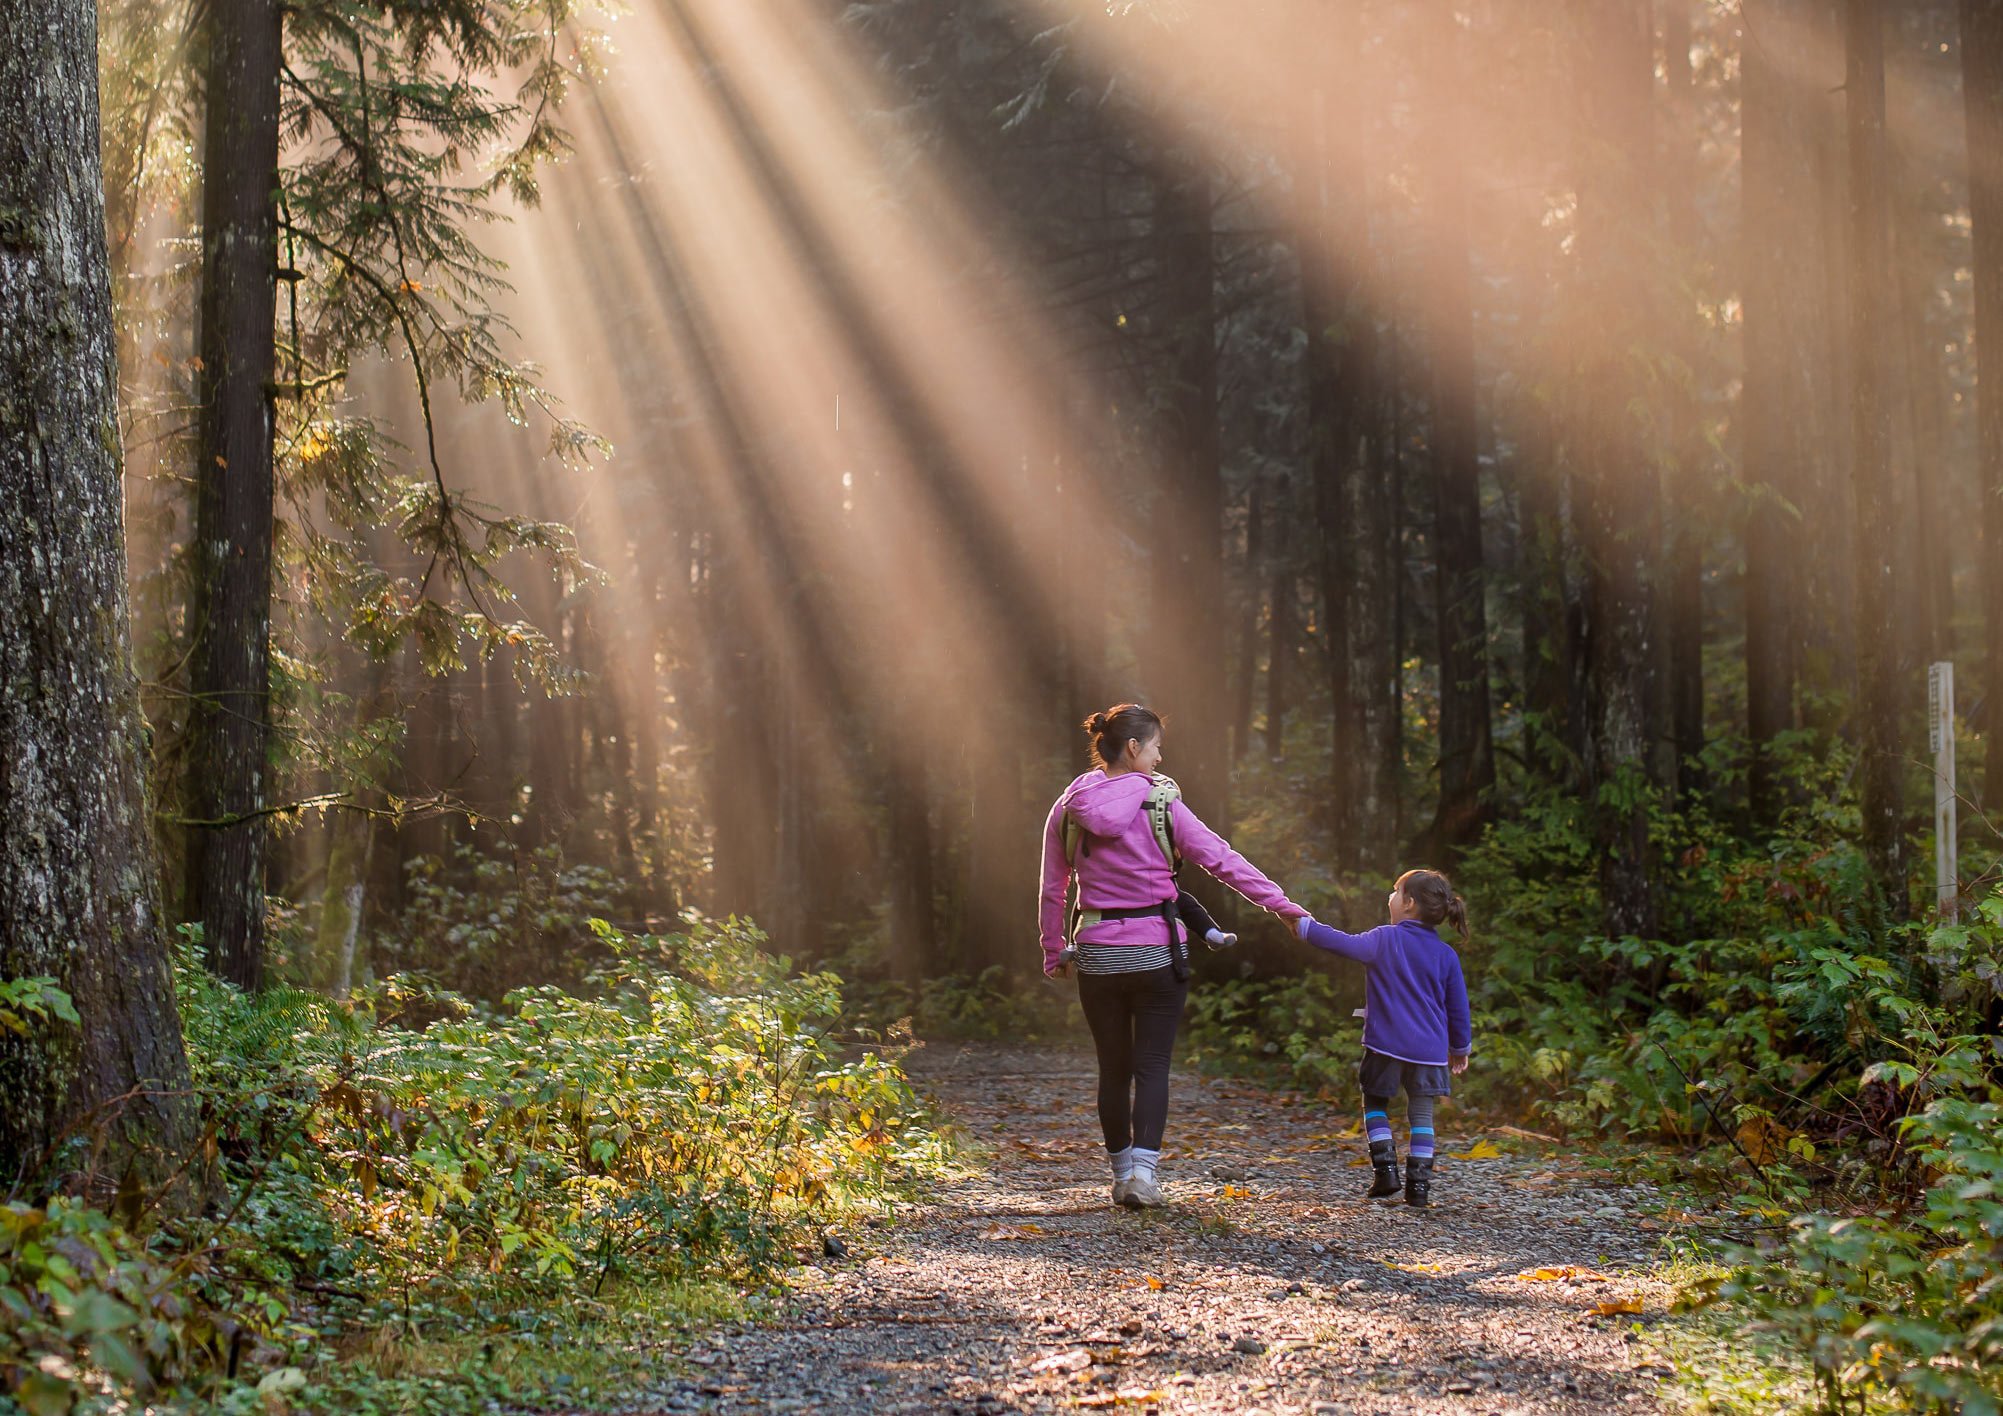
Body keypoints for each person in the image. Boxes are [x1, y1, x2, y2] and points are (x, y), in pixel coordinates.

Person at [1040, 703, 1304, 1209]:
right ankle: (1144, 1175)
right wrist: (1283, 907)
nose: (1161, 758)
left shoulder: (1068, 805)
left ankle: (1120, 1176)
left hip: (1097, 953)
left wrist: (1055, 949)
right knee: (1152, 1066)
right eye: (1157, 746)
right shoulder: (1161, 803)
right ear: (1134, 747)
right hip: (1159, 952)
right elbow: (1222, 860)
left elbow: (1054, 888)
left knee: (1112, 1068)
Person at [1291, 869, 1473, 1208]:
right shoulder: (1446, 955)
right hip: (1430, 1051)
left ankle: (1385, 1172)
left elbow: (1341, 942)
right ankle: (1419, 1189)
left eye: (1395, 892)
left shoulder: (1384, 939)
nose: (1389, 898)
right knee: (1422, 1115)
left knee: (1375, 1103)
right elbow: (1458, 1007)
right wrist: (1459, 1048)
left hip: (1385, 1044)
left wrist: (1304, 927)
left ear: (1409, 903)